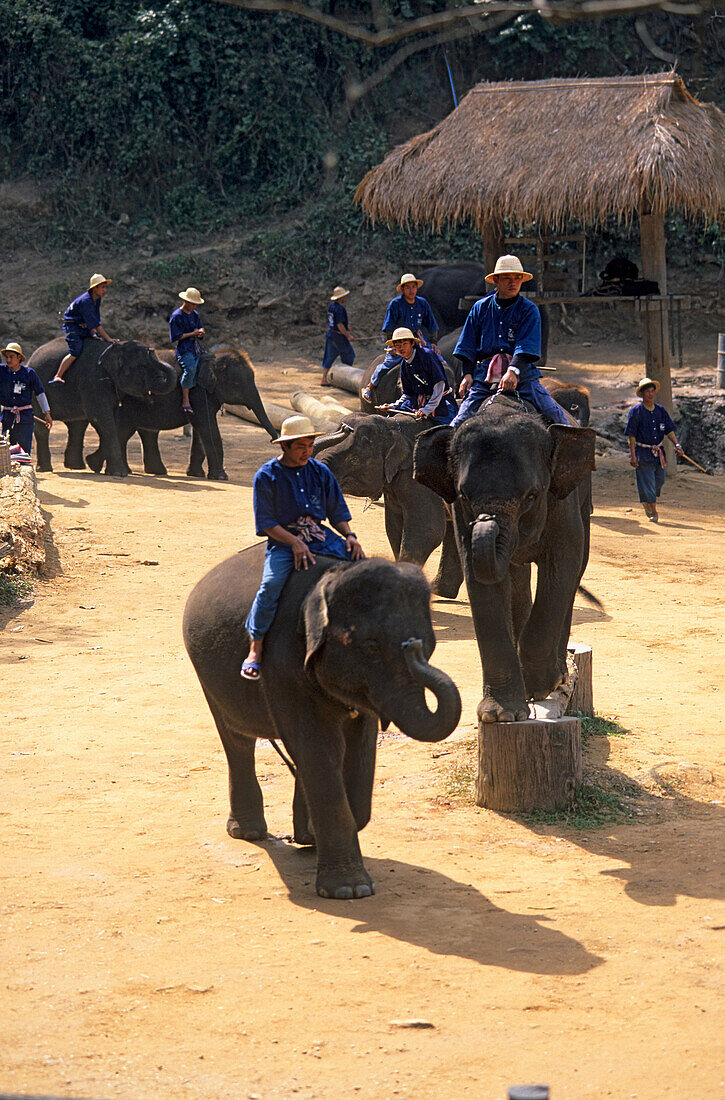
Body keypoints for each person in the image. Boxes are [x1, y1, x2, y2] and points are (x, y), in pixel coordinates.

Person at [241, 415, 366, 681]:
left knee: (361, 569)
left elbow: (337, 511)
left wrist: (350, 536)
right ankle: (256, 648)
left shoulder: (320, 472)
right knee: (270, 586)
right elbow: (267, 523)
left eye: (310, 446)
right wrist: (294, 542)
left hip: (320, 535)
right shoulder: (266, 476)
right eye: (301, 447)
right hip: (285, 540)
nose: (307, 452)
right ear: (284, 447)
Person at [450, 255, 569, 428]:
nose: (513, 283)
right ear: (496, 280)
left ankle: (570, 447)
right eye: (507, 278)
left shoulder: (529, 309)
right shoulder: (480, 307)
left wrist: (513, 371)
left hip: (523, 374)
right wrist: (467, 374)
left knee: (554, 414)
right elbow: (467, 344)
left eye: (517, 278)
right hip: (485, 375)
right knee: (459, 419)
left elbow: (526, 344)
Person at [362, 273, 440, 401]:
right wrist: (393, 346)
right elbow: (388, 327)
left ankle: (443, 391)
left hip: (417, 338)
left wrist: (433, 342)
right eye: (407, 287)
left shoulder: (423, 303)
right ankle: (370, 386)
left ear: (417, 288)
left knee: (437, 359)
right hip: (400, 339)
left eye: (413, 287)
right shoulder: (395, 304)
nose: (411, 290)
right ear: (403, 289)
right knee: (389, 363)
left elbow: (432, 324)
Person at [626, 377, 683, 522]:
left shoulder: (660, 411)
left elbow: (669, 430)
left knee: (660, 480)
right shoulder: (636, 412)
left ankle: (647, 501)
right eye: (647, 392)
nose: (650, 394)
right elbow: (631, 436)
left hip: (659, 453)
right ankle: (652, 510)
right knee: (648, 482)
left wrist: (677, 445)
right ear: (642, 394)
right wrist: (633, 456)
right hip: (643, 452)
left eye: (652, 391)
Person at [375, 328, 457, 425]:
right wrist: (392, 406)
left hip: (441, 402)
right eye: (397, 345)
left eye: (404, 344)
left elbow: (439, 385)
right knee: (389, 422)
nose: (401, 348)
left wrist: (427, 409)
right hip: (418, 403)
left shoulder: (427, 355)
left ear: (412, 343)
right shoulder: (404, 365)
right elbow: (407, 394)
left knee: (444, 432)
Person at [53, 274, 117, 383]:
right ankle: (58, 375)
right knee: (75, 351)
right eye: (102, 287)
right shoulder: (86, 301)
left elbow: (94, 319)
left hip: (83, 326)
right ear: (94, 288)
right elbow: (95, 324)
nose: (104, 290)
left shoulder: (97, 299)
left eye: (105, 287)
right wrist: (108, 339)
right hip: (73, 327)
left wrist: (94, 334)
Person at [0, 342, 52, 454]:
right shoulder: (2, 371)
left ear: (19, 358)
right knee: (6, 450)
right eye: (7, 357)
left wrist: (46, 414)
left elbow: (40, 393)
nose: (8, 360)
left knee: (23, 450)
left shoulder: (29, 373)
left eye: (11, 357)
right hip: (7, 418)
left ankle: (24, 470)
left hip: (25, 418)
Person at [169, 287, 206, 415]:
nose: (195, 306)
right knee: (189, 369)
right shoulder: (176, 317)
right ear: (187, 302)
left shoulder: (194, 314)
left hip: (196, 347)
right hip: (184, 349)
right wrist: (192, 333)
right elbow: (175, 337)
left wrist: (200, 332)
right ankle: (185, 400)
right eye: (194, 303)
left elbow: (199, 325)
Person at [321, 286, 355, 387]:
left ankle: (324, 379)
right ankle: (345, 378)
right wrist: (348, 336)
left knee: (329, 357)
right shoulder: (340, 309)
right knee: (349, 356)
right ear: (341, 298)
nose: (345, 298)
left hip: (331, 334)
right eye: (344, 296)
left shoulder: (332, 306)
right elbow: (339, 324)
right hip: (339, 337)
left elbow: (336, 323)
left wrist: (346, 328)